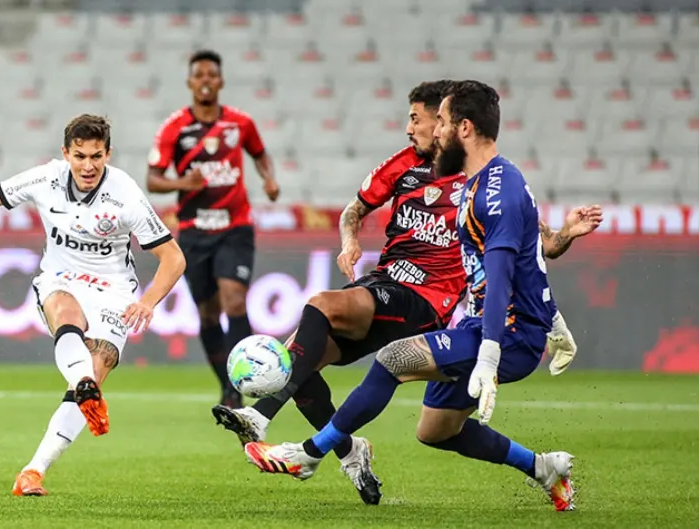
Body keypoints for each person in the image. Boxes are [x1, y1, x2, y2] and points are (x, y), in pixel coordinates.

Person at [244, 81, 600, 512]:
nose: (435, 132)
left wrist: (490, 357)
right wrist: (557, 323)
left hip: (506, 334)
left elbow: (505, 276)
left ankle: (309, 453)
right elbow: (530, 260)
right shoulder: (480, 180)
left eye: (443, 123)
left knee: (392, 359)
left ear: (463, 129)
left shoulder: (496, 193)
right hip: (487, 324)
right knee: (435, 430)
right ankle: (543, 468)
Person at [0, 114, 186, 497]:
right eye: (80, 156)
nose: (88, 166)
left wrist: (148, 302)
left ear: (108, 154)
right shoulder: (44, 179)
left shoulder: (126, 194)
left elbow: (174, 258)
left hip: (115, 290)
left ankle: (33, 470)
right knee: (66, 315)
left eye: (96, 156)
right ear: (65, 153)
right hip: (60, 279)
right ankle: (82, 382)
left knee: (96, 369)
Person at [146, 49, 279, 409]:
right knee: (207, 313)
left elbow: (260, 153)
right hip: (193, 231)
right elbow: (153, 180)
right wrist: (185, 183)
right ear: (190, 82)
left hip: (235, 227)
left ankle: (254, 379)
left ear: (221, 81)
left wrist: (269, 178)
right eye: (199, 75)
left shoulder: (240, 124)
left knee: (234, 299)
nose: (206, 80)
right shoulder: (175, 127)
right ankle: (228, 388)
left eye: (212, 74)